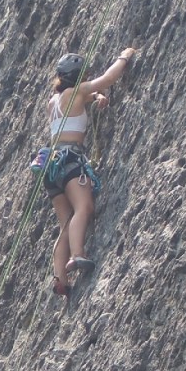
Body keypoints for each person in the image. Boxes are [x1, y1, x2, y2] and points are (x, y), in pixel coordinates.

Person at [37, 47, 137, 297]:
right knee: (84, 208)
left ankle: (59, 277)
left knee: (65, 223)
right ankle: (77, 255)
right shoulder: (77, 91)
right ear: (79, 76)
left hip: (52, 167)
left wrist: (95, 98)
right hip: (71, 161)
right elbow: (107, 79)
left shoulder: (53, 102)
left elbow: (79, 102)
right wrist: (124, 56)